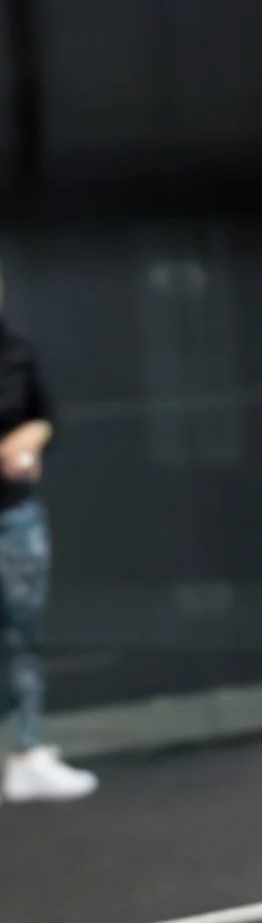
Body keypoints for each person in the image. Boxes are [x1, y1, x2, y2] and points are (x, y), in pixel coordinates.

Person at [0, 289, 97, 803]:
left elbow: (47, 417)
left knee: (23, 636)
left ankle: (27, 752)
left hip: (15, 514)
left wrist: (29, 439)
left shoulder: (16, 350)